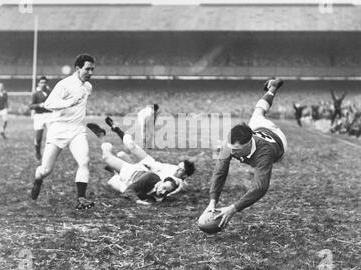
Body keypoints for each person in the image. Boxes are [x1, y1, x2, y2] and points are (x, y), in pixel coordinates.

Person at [204, 78, 287, 229]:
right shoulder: (230, 145)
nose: (230, 151)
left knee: (260, 116)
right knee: (258, 111)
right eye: (230, 147)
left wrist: (233, 208)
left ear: (248, 144)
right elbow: (220, 171)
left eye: (235, 150)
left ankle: (273, 88)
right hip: (256, 129)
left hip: (277, 138)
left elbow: (260, 187)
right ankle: (272, 88)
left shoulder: (264, 154)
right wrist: (212, 200)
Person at [30, 54, 96, 210]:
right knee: (45, 170)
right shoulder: (64, 84)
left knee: (84, 161)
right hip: (59, 129)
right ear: (78, 68)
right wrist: (68, 102)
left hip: (77, 129)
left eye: (92, 69)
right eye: (87, 69)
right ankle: (38, 179)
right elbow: (49, 103)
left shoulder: (88, 87)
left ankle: (81, 198)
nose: (91, 72)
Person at [103, 117, 195, 195]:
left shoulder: (177, 183)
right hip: (151, 163)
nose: (177, 169)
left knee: (121, 155)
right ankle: (117, 129)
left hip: (145, 172)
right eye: (178, 166)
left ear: (185, 175)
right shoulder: (175, 170)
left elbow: (177, 188)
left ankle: (115, 170)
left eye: (180, 169)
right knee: (130, 144)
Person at [100, 142, 178, 205]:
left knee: (111, 182)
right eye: (164, 188)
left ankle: (115, 172)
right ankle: (105, 144)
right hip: (130, 172)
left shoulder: (160, 197)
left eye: (167, 191)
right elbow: (129, 190)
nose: (163, 192)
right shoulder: (151, 177)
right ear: (161, 182)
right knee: (106, 157)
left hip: (128, 182)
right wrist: (138, 201)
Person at [29, 76, 52, 160]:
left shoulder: (50, 92)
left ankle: (48, 154)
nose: (43, 84)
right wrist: (39, 105)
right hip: (39, 116)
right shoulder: (35, 93)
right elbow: (30, 106)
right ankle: (38, 152)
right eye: (41, 82)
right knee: (38, 138)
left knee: (51, 136)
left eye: (45, 82)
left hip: (50, 115)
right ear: (38, 83)